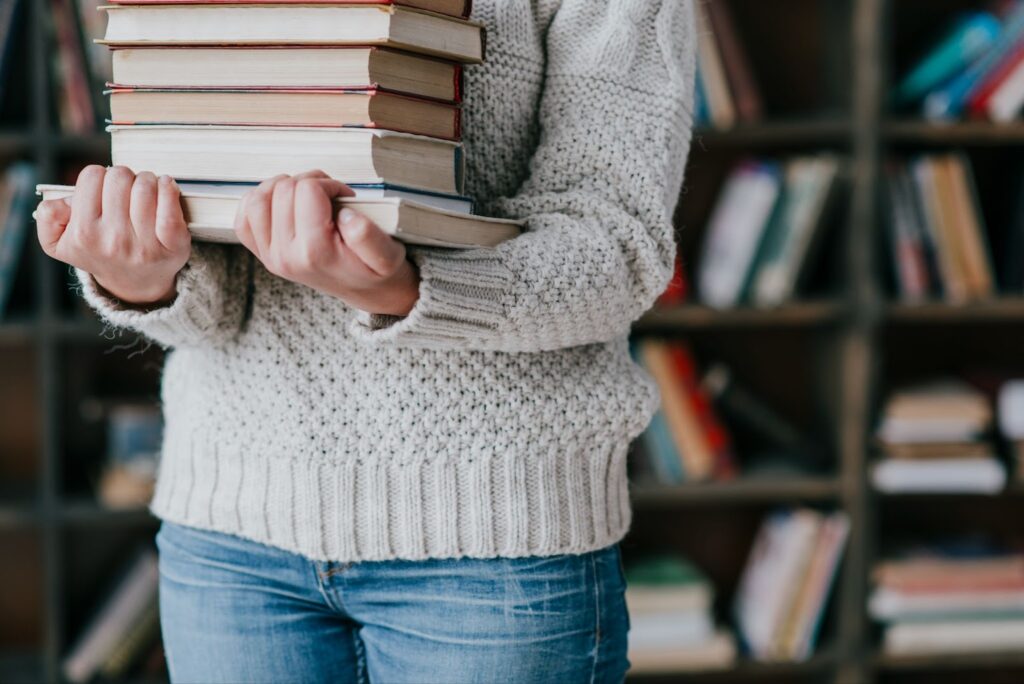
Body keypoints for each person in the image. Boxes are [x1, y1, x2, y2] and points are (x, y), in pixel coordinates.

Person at [33, 1, 697, 681]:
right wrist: (143, 279)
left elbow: (616, 247)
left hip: (496, 543)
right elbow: (214, 312)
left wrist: (404, 290)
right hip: (230, 539)